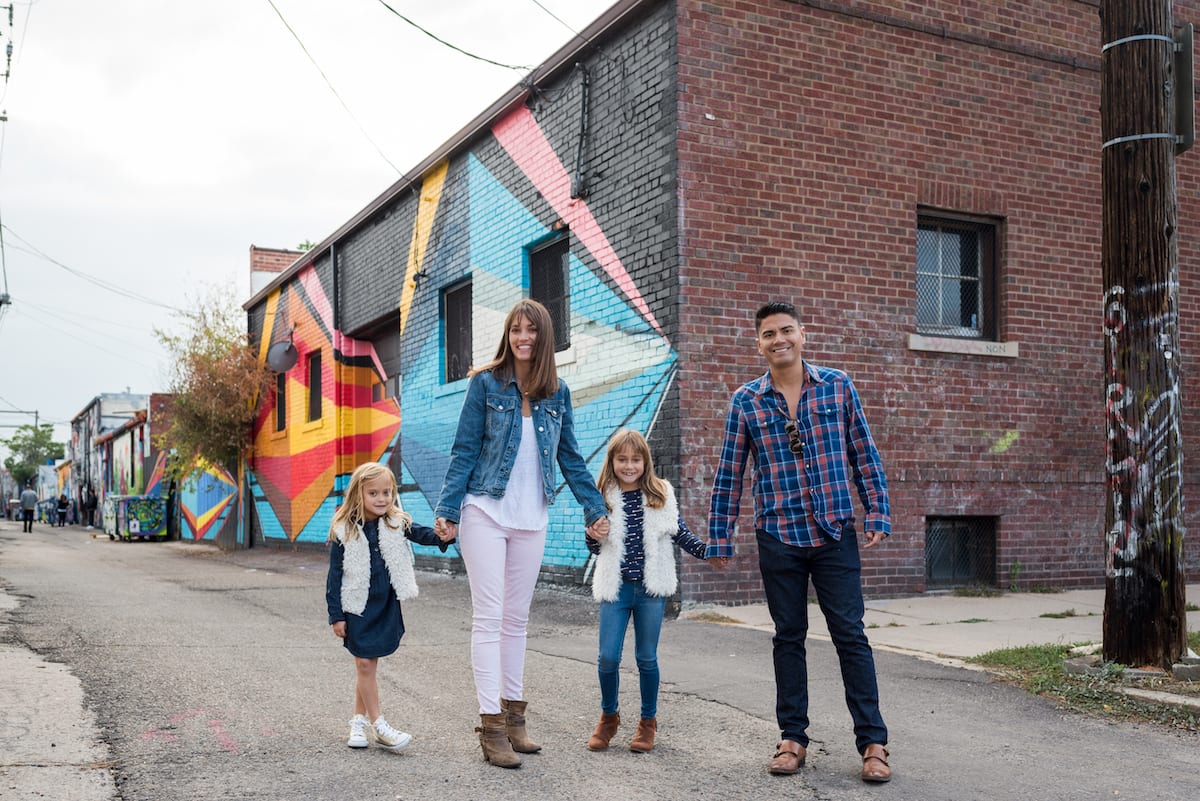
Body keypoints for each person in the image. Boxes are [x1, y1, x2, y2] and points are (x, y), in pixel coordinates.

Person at [707, 301, 893, 783]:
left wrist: (877, 508)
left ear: (803, 334)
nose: (779, 340)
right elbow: (730, 473)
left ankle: (873, 743)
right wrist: (719, 535)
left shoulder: (837, 385)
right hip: (778, 534)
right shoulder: (746, 400)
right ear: (759, 342)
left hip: (834, 532)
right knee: (788, 637)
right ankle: (792, 738)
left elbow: (863, 451)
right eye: (769, 334)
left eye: (786, 330)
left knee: (850, 635)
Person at [434, 298, 610, 769]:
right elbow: (464, 450)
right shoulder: (485, 384)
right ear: (507, 335)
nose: (523, 337)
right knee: (490, 618)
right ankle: (491, 725)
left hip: (532, 517)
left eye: (531, 330)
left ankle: (514, 720)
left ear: (544, 336)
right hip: (484, 511)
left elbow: (571, 458)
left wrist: (594, 507)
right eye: (515, 329)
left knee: (516, 620)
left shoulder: (559, 393)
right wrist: (449, 509)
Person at [583, 428, 707, 754]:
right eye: (622, 459)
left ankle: (647, 722)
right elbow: (594, 547)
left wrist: (709, 551)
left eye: (635, 459)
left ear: (645, 461)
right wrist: (593, 534)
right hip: (617, 587)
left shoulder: (661, 492)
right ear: (612, 462)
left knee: (646, 658)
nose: (629, 465)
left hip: (651, 589)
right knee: (607, 656)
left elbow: (680, 532)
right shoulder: (601, 495)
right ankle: (609, 717)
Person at [325, 461, 453, 752]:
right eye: (374, 493)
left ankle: (357, 721)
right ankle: (379, 725)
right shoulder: (344, 530)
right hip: (356, 606)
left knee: (367, 664)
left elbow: (424, 534)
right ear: (359, 494)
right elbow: (334, 576)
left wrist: (442, 534)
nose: (382, 499)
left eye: (387, 492)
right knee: (365, 663)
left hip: (385, 605)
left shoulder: (396, 521)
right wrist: (336, 615)